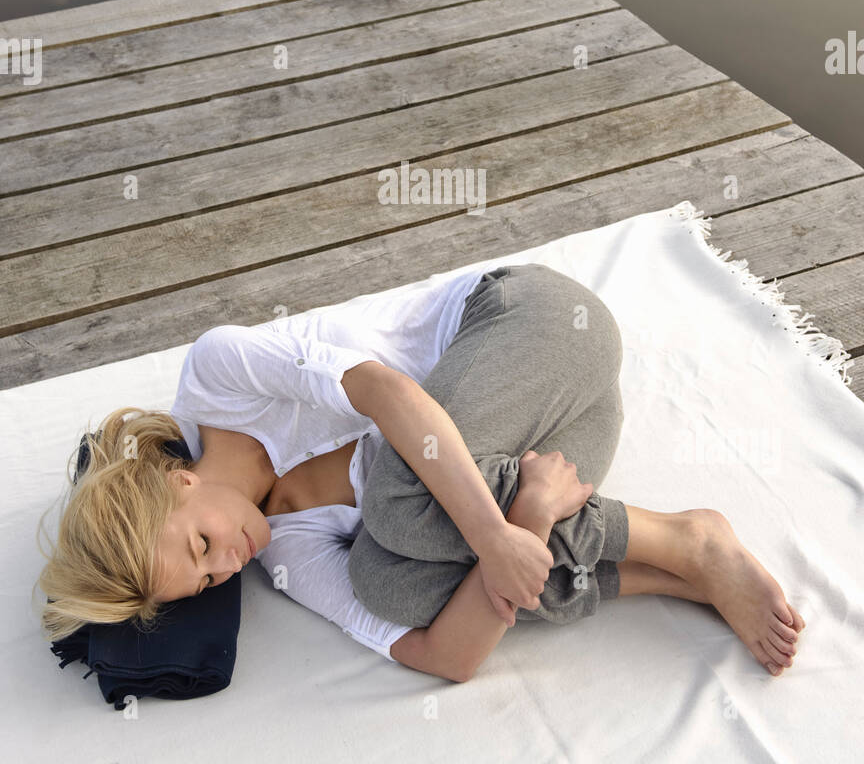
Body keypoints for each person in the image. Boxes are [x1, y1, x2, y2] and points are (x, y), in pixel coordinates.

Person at [36, 263, 804, 683]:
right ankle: (677, 577)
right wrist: (527, 520)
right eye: (207, 583)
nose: (230, 564)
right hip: (567, 440)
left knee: (401, 504)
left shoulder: (219, 374)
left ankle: (685, 541)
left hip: (535, 327)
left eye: (202, 547)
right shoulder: (286, 556)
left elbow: (388, 395)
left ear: (177, 483)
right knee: (390, 584)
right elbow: (446, 657)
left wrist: (488, 538)